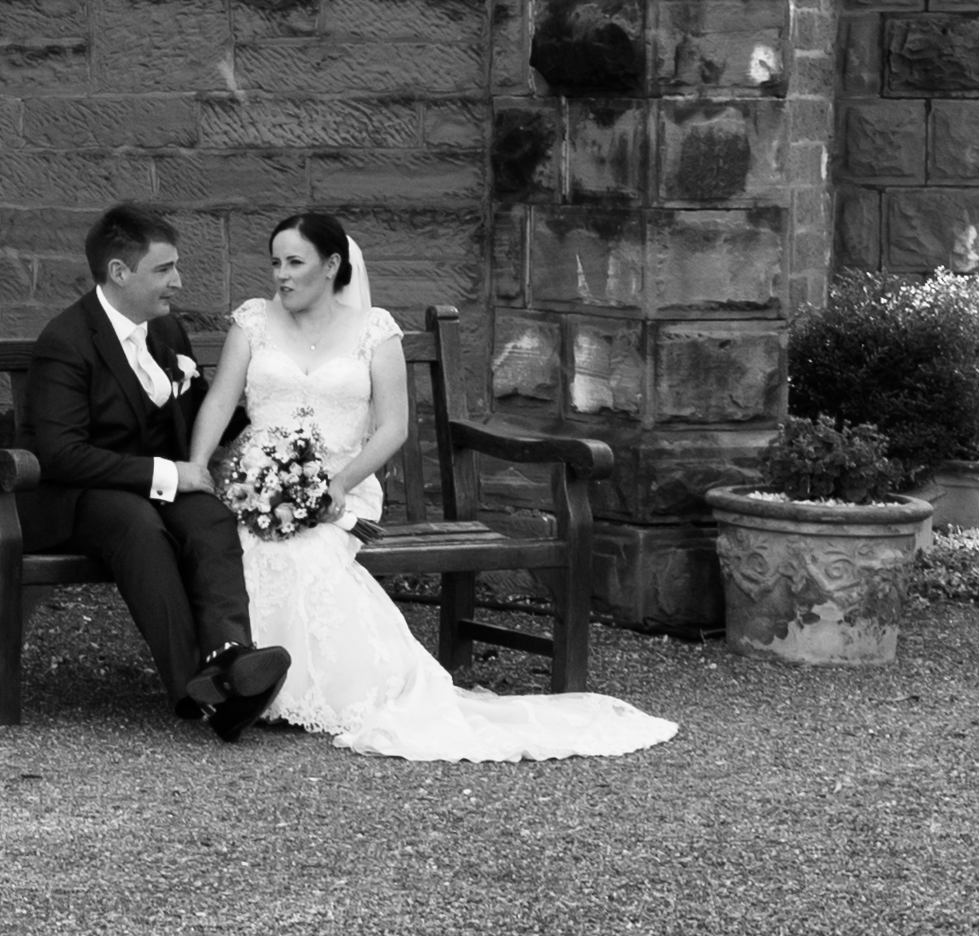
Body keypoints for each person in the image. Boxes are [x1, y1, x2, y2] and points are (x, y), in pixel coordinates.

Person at [181, 209, 672, 763]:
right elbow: (221, 401)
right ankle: (249, 683)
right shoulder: (253, 321)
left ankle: (301, 689)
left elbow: (394, 427)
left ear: (333, 265)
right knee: (245, 544)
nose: (282, 276)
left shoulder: (375, 330)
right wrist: (199, 467)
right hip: (256, 486)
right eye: (275, 263)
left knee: (309, 548)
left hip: (346, 487)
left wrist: (337, 485)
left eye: (295, 262)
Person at [24, 201, 286, 739]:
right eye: (164, 269)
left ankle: (231, 655)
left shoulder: (168, 336)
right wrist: (168, 475)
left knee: (208, 517)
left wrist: (273, 421)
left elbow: (194, 419)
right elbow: (61, 454)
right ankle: (196, 687)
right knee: (137, 524)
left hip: (150, 486)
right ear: (120, 273)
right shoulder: (66, 342)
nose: (178, 281)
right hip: (72, 497)